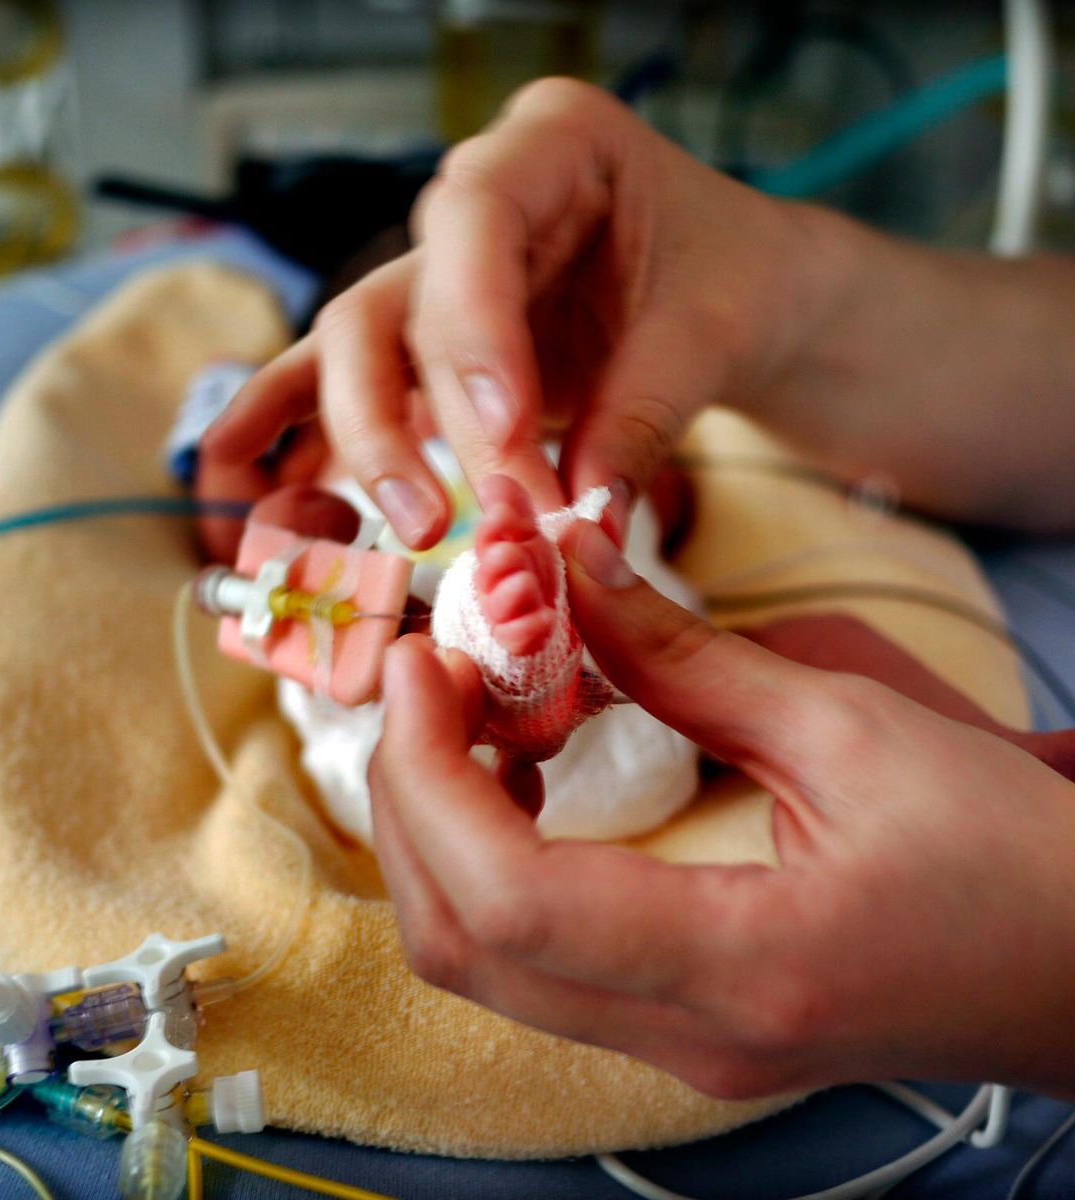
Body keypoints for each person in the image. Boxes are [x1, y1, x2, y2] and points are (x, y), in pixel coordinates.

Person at [199, 78, 1075, 1101]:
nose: (460, 406)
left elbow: (673, 509)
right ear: (316, 421)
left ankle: (1005, 775)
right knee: (383, 628)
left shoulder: (579, 429)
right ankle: (512, 662)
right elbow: (246, 538)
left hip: (640, 694)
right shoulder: (327, 481)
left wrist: (626, 482)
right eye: (415, 379)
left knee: (813, 638)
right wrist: (277, 513)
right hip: (415, 723)